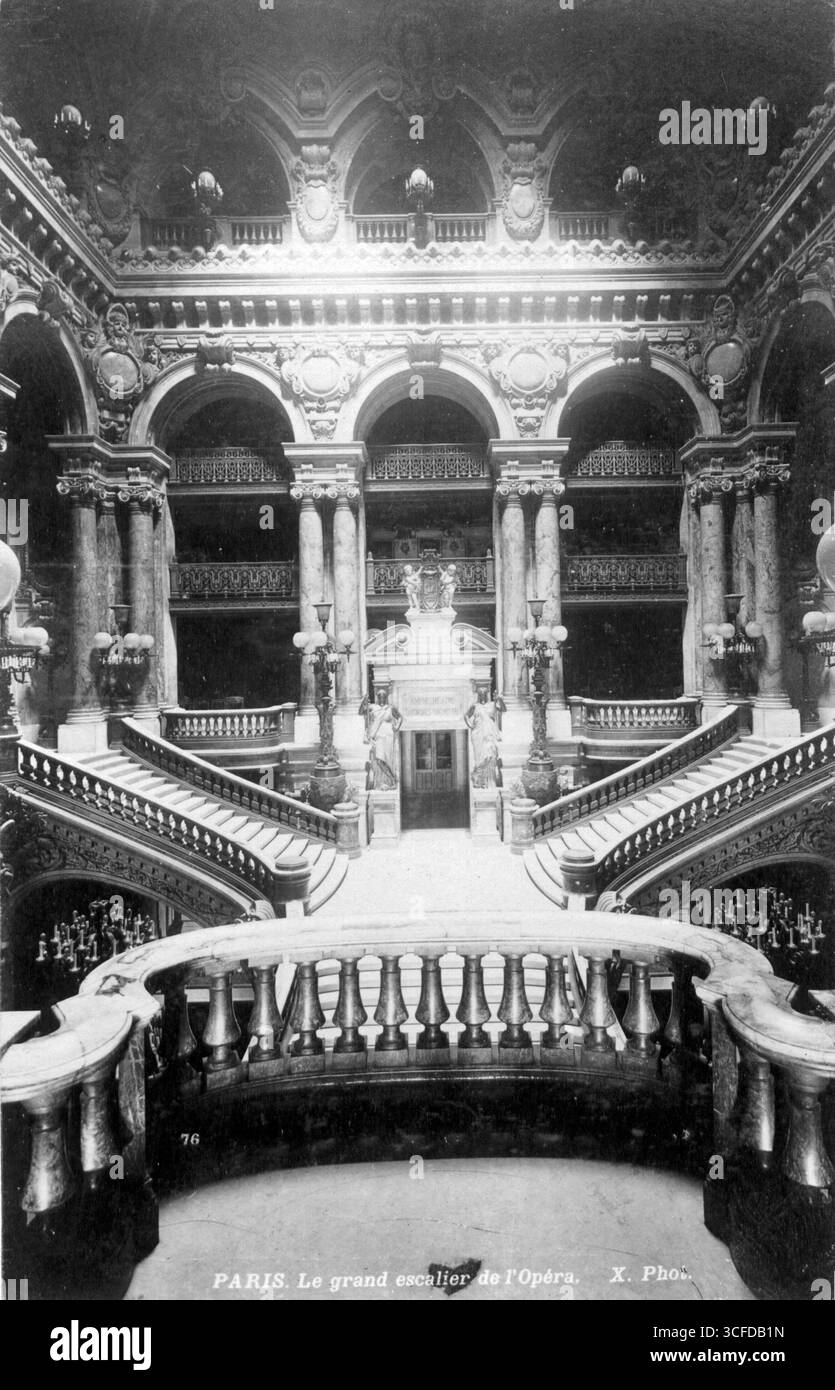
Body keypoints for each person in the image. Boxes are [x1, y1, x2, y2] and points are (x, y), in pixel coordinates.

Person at [359, 693, 404, 789]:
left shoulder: (390, 708)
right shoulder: (373, 707)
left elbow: (399, 717)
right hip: (378, 737)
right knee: (379, 759)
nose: (381, 698)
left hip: (388, 737)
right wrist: (363, 701)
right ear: (377, 698)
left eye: (383, 696)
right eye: (379, 697)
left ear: (386, 698)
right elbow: (361, 711)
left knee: (388, 759)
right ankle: (391, 779)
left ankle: (389, 782)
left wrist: (396, 727)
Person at [464, 695, 504, 788]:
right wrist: (471, 726)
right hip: (478, 734)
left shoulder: (492, 704)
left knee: (490, 755)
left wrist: (500, 699)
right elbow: (466, 715)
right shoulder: (475, 706)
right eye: (480, 692)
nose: (482, 695)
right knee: (480, 758)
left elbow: (502, 709)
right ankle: (479, 780)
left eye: (484, 692)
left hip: (490, 734)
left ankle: (488, 781)